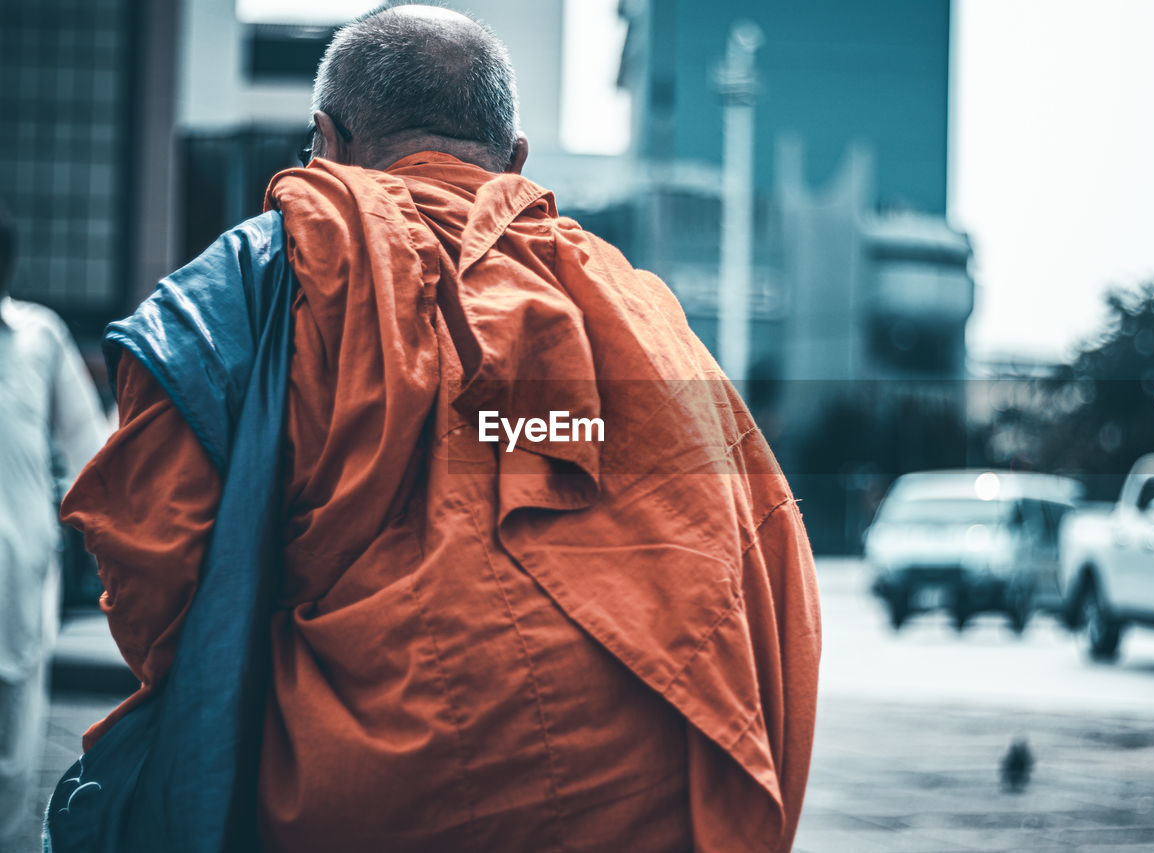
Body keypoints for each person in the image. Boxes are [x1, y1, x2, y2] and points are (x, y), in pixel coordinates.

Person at [60, 3, 821, 851]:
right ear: (516, 162)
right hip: (662, 802)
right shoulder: (640, 313)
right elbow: (767, 563)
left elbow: (152, 586)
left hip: (370, 802)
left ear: (325, 140)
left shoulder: (260, 280)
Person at [0, 203, 109, 852]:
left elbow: (88, 447)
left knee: (17, 736)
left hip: (20, 564)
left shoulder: (38, 337)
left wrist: (101, 541)